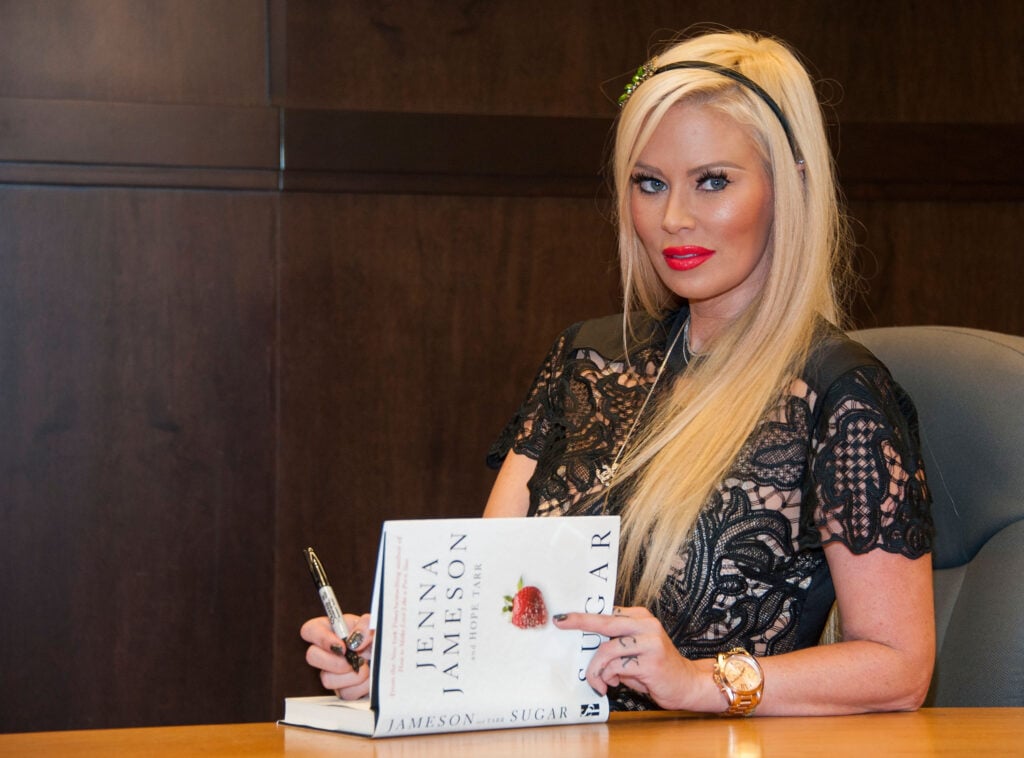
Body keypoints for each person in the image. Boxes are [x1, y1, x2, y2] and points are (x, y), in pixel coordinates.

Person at [301, 28, 935, 716]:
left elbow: (899, 668)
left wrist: (700, 681)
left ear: (791, 188)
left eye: (713, 181)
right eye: (649, 183)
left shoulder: (840, 395)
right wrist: (398, 657)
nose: (674, 218)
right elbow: (492, 598)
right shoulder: (586, 361)